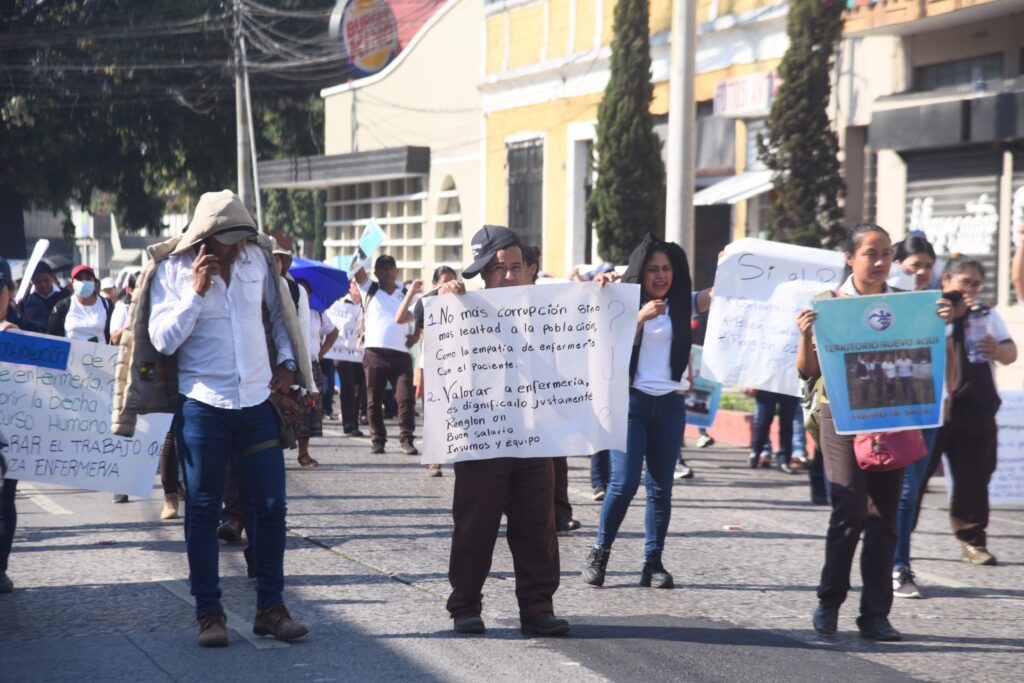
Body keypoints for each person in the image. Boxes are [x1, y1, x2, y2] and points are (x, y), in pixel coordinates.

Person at [147, 190, 310, 647]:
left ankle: (271, 608)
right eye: (229, 240)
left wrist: (287, 362)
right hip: (202, 404)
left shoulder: (258, 262)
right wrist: (196, 293)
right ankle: (208, 613)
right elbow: (163, 341)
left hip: (257, 402)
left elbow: (282, 314)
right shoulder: (174, 272)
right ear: (206, 238)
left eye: (242, 238)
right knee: (202, 509)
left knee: (272, 506)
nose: (237, 247)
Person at [796, 223, 953, 642]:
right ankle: (829, 602)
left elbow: (927, 357)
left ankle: (875, 615)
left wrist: (940, 326)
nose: (881, 261)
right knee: (848, 509)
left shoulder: (908, 306)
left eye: (886, 253)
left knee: (885, 518)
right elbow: (808, 373)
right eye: (871, 253)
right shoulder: (829, 305)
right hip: (841, 416)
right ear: (850, 258)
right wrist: (805, 335)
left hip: (891, 416)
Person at [438, 225, 569, 637]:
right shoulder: (461, 308)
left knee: (538, 525)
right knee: (476, 525)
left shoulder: (550, 309)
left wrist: (602, 292)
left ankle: (537, 606)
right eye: (500, 270)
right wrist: (444, 299)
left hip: (534, 436)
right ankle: (465, 605)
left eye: (516, 267)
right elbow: (432, 323)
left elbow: (594, 330)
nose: (511, 276)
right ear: (482, 275)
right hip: (484, 437)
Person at [583, 232, 693, 590]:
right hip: (630, 404)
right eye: (652, 270)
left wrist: (728, 266)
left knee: (661, 488)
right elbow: (604, 340)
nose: (661, 276)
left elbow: (717, 296)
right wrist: (639, 315)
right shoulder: (622, 302)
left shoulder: (682, 303)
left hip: (670, 406)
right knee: (624, 482)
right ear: (639, 273)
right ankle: (600, 552)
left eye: (667, 269)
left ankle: (653, 561)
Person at [914, 255, 1016, 568]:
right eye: (964, 282)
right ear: (946, 282)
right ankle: (895, 540)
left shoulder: (986, 314)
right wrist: (951, 318)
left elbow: (1010, 352)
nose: (971, 289)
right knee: (914, 478)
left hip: (977, 409)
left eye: (976, 283)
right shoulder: (929, 311)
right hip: (934, 409)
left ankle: (972, 542)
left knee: (974, 480)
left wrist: (997, 351)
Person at [890, 234, 937, 598]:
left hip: (931, 412)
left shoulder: (942, 304)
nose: (920, 272)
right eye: (913, 265)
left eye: (926, 266)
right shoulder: (883, 302)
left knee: (913, 492)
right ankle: (898, 566)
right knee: (903, 493)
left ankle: (892, 552)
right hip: (888, 410)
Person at [353, 255, 418, 455]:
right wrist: (361, 252)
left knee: (405, 398)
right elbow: (355, 268)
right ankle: (378, 440)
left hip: (400, 354)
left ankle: (406, 439)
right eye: (383, 268)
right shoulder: (368, 289)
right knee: (373, 400)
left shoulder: (406, 292)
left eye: (391, 268)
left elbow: (420, 315)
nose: (388, 271)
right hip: (374, 353)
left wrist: (416, 336)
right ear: (376, 273)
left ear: (397, 271)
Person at [397, 265, 458, 477]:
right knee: (434, 414)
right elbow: (402, 317)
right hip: (432, 365)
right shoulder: (427, 303)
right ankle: (434, 460)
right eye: (444, 281)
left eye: (452, 280)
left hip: (458, 367)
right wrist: (413, 293)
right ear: (435, 284)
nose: (449, 285)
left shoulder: (462, 301)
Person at [295, 278, 338, 468]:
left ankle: (303, 453)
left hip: (312, 365)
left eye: (306, 292)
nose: (303, 295)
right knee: (289, 410)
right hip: (292, 366)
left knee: (309, 410)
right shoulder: (288, 311)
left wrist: (320, 353)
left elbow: (333, 332)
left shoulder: (317, 313)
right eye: (299, 290)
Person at [330, 283, 367, 437]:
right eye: (355, 285)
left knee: (359, 387)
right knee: (348, 386)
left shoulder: (367, 304)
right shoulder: (341, 305)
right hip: (343, 352)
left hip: (360, 352)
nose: (358, 288)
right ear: (350, 287)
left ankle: (355, 421)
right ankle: (348, 423)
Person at [47, 264, 113, 343]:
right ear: (73, 283)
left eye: (88, 279)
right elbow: (52, 338)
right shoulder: (62, 307)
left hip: (100, 354)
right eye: (79, 279)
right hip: (72, 354)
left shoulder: (107, 305)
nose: (84, 282)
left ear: (94, 282)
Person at [749, 390, 800, 474]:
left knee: (787, 422)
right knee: (763, 420)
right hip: (768, 382)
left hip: (789, 384)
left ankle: (784, 460)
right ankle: (756, 451)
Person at [19, 261, 69, 330]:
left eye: (46, 280)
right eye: (39, 281)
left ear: (52, 277)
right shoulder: (25, 300)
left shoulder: (67, 296)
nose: (43, 284)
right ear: (33, 281)